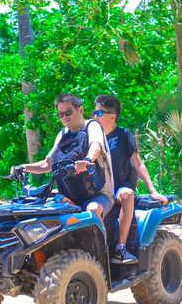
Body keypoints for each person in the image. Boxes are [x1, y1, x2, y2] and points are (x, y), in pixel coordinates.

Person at [11, 93, 115, 224]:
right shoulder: (63, 134)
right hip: (70, 196)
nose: (65, 117)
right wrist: (23, 167)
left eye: (68, 112)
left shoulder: (92, 126)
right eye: (61, 114)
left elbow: (96, 146)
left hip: (99, 194)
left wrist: (87, 160)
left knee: (92, 210)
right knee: (41, 211)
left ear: (81, 110)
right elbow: (47, 164)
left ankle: (101, 244)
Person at [94, 94, 168, 264]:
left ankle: (120, 249)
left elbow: (138, 163)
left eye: (98, 113)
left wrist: (152, 190)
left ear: (112, 116)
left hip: (117, 190)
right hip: (97, 189)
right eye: (94, 112)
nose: (94, 116)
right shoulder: (92, 137)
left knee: (127, 194)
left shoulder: (123, 134)